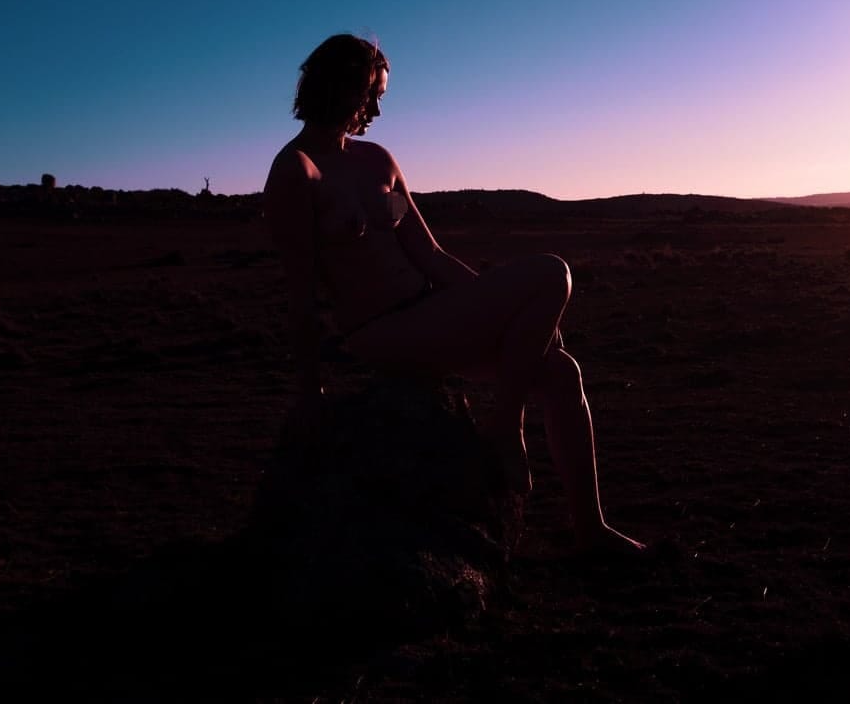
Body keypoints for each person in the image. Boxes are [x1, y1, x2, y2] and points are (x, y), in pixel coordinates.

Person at [263, 33, 644, 554]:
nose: (377, 109)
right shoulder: (298, 171)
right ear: (341, 86)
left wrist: (517, 315)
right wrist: (311, 395)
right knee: (552, 272)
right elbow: (302, 294)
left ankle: (590, 530)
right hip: (381, 331)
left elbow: (431, 256)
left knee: (561, 370)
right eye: (372, 94)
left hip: (434, 314)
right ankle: (504, 427)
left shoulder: (377, 163)